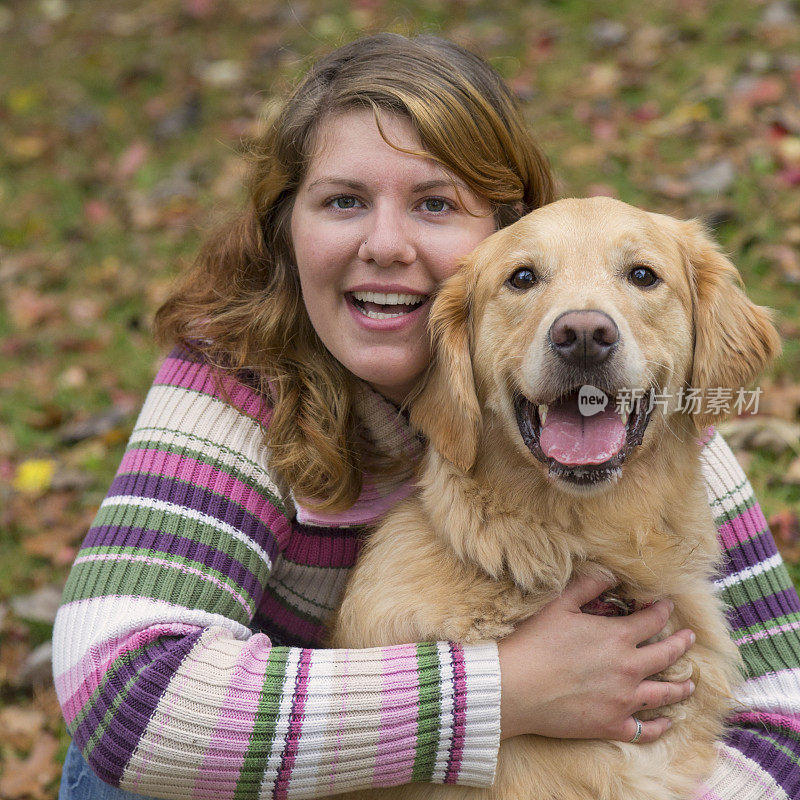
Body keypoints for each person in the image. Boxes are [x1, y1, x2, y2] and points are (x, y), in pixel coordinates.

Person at [55, 33, 800, 800]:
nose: (384, 245)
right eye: (343, 200)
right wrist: (503, 690)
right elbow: (127, 696)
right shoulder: (231, 381)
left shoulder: (636, 407)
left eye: (435, 203)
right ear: (287, 227)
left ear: (500, 225)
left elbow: (785, 699)